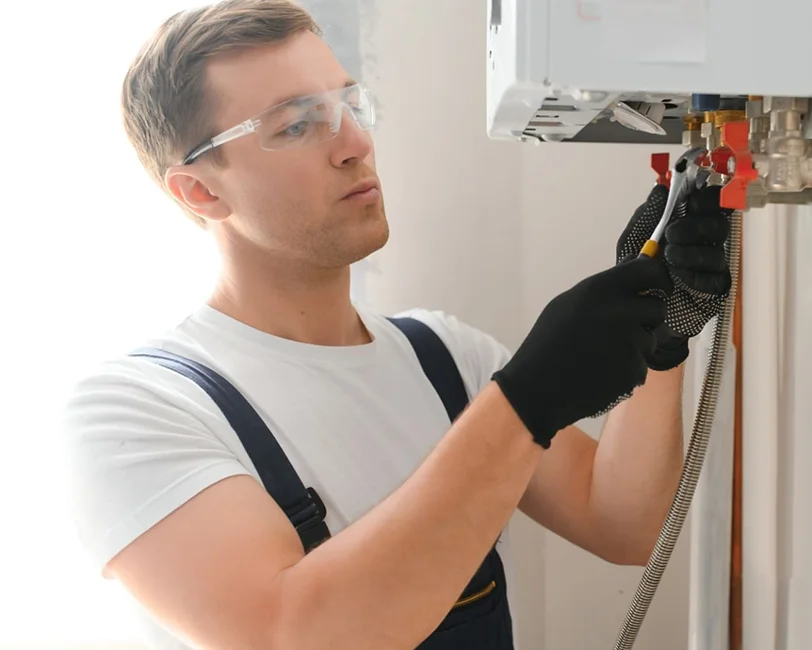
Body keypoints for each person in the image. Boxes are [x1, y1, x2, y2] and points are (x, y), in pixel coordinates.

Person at [61, 1, 732, 649]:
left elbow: (623, 525)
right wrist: (525, 403)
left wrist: (660, 339)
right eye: (297, 125)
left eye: (350, 106)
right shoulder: (136, 412)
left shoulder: (443, 356)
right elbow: (292, 635)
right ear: (201, 190)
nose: (355, 144)